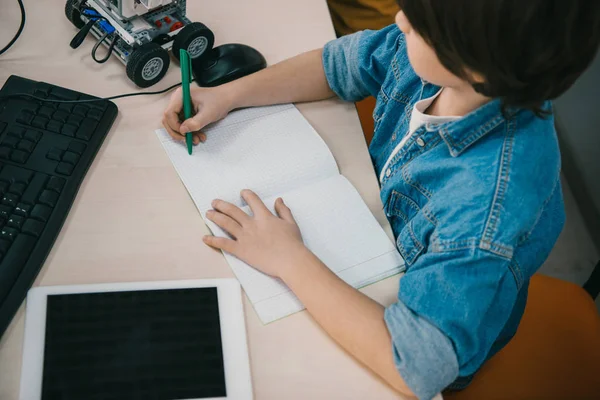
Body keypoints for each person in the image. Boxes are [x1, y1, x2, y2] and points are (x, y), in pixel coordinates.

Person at [162, 1, 600, 398]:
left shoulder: (485, 206)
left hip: (419, 326)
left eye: (420, 23)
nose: (400, 19)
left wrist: (288, 259)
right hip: (375, 240)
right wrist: (229, 95)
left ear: (477, 65)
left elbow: (417, 367)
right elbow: (340, 65)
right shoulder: (450, 67)